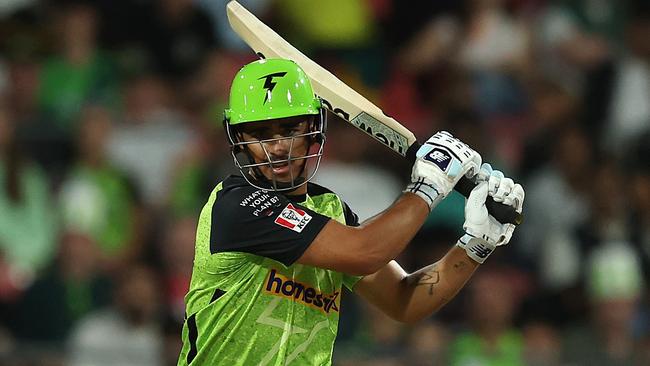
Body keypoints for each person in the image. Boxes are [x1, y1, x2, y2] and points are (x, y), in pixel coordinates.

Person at [177, 58, 525, 365]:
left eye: (289, 129)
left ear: (313, 129)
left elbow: (405, 301)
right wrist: (428, 186)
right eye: (260, 133)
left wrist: (476, 243)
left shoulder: (331, 211)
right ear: (238, 138)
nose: (278, 146)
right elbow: (364, 252)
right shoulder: (236, 205)